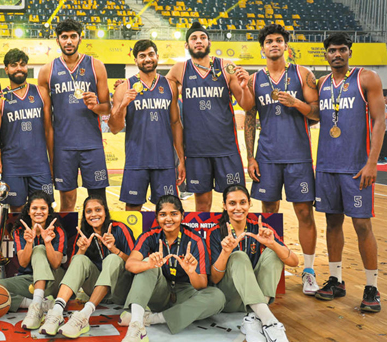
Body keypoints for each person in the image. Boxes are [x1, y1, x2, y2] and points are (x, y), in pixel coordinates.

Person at [241, 24, 320, 295]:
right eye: (269, 41)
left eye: (278, 40)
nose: (274, 44)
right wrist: (250, 157)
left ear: (286, 46)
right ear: (262, 48)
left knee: (304, 213)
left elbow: (317, 113)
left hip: (298, 156)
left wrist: (296, 103)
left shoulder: (303, 74)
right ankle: (269, 267)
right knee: (268, 213)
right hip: (267, 157)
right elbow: (249, 118)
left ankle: (309, 271)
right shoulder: (254, 80)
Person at [313, 32, 385, 312]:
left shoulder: (367, 78)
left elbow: (379, 121)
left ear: (350, 52)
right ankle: (336, 280)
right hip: (327, 166)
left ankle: (372, 287)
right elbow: (313, 114)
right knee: (332, 223)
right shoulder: (321, 84)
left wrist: (372, 163)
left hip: (356, 168)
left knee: (362, 225)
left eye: (342, 49)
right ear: (326, 54)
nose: (337, 54)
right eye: (332, 50)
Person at [120, 194, 225, 342]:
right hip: (160, 291)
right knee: (146, 265)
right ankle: (135, 327)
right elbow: (130, 264)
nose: (168, 219)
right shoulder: (149, 236)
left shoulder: (195, 240)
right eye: (163, 214)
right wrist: (149, 264)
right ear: (157, 217)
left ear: (182, 215)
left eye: (174, 214)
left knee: (217, 297)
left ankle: (151, 319)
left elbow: (202, 284)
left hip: (185, 291)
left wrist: (191, 272)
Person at [165, 21, 250, 211]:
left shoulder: (226, 66)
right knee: (202, 205)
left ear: (209, 42)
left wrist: (245, 87)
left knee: (235, 203)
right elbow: (158, 90)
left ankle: (231, 232)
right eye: (194, 38)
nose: (199, 41)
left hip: (226, 148)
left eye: (203, 37)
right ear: (187, 45)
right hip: (196, 151)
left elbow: (246, 104)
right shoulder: (179, 69)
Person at [207, 185, 298, 342]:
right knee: (238, 256)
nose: (238, 208)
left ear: (249, 204)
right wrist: (226, 253)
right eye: (232, 203)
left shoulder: (260, 227)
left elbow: (294, 261)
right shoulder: (216, 232)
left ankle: (254, 318)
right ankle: (270, 323)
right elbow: (215, 278)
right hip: (231, 299)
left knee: (274, 252)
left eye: (243, 202)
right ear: (224, 206)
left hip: (254, 299)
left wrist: (272, 244)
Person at [36, 19, 111, 212]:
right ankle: (67, 233)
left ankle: (98, 234)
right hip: (63, 147)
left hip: (92, 144)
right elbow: (46, 121)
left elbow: (107, 108)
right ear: (58, 40)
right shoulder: (47, 71)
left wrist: (96, 106)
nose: (68, 41)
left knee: (98, 201)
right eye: (64, 37)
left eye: (73, 36)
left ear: (80, 38)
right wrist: (50, 155)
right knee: (67, 202)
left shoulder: (96, 66)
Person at [39, 195, 134, 338]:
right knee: (79, 258)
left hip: (120, 290)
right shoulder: (83, 234)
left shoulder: (119, 228)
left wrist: (114, 249)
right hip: (96, 291)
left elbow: (134, 264)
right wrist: (82, 250)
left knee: (112, 258)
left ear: (105, 211)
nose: (94, 214)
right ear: (84, 215)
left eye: (98, 210)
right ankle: (57, 312)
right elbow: (73, 270)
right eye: (89, 211)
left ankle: (84, 315)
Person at [109, 39, 185, 210]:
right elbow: (114, 128)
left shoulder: (170, 86)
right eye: (142, 56)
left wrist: (181, 159)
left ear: (157, 56)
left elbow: (175, 123)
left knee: (168, 209)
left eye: (151, 54)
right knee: (132, 210)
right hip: (136, 160)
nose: (147, 59)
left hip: (165, 161)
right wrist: (123, 105)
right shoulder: (124, 87)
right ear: (135, 60)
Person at [0, 48, 54, 211]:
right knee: (16, 211)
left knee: (44, 209)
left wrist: (52, 161)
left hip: (39, 164)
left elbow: (49, 131)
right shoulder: (0, 99)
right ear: (6, 69)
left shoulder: (41, 93)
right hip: (13, 166)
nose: (19, 68)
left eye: (22, 64)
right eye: (14, 65)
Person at [0, 191, 66, 330]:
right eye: (34, 208)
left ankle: (37, 306)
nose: (38, 212)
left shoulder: (57, 230)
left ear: (48, 211)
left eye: (43, 208)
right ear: (28, 211)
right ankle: (39, 304)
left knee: (39, 249)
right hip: (30, 279)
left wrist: (47, 242)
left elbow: (56, 264)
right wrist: (29, 242)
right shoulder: (20, 231)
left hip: (52, 280)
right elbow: (23, 263)